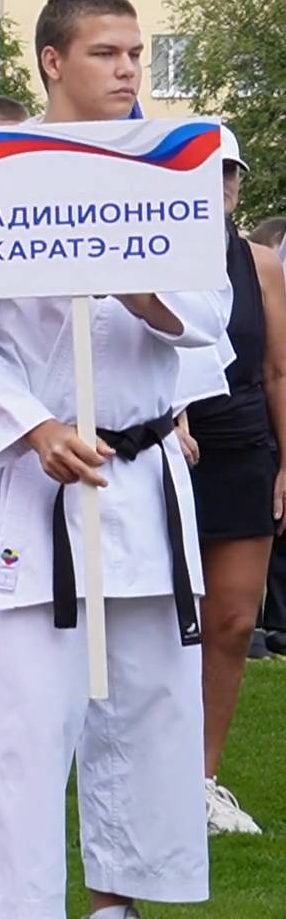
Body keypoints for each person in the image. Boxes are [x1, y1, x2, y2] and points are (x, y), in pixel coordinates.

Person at [0, 0, 220, 918]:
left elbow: (213, 323)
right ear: (53, 61)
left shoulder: (173, 174)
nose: (129, 68)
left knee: (145, 716)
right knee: (24, 730)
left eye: (135, 52)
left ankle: (117, 904)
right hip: (38, 482)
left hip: (141, 480)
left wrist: (149, 297)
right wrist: (35, 425)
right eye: (106, 52)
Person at [177, 126, 280, 835]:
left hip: (245, 446)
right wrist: (170, 417)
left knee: (235, 620)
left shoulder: (261, 263)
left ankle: (201, 778)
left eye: (229, 175)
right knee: (159, 625)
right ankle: (144, 768)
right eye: (205, 173)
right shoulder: (149, 253)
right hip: (163, 449)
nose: (218, 187)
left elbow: (277, 369)